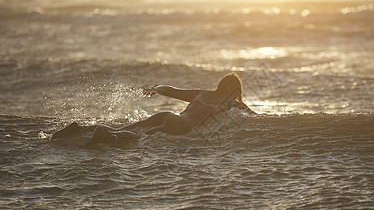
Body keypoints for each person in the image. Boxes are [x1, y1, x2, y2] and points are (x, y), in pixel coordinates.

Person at [51, 73, 254, 146]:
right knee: (138, 137)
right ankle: (106, 137)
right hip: (180, 125)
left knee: (133, 127)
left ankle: (80, 130)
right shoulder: (232, 104)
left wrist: (155, 88)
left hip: (169, 115)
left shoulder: (201, 93)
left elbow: (172, 90)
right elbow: (254, 119)